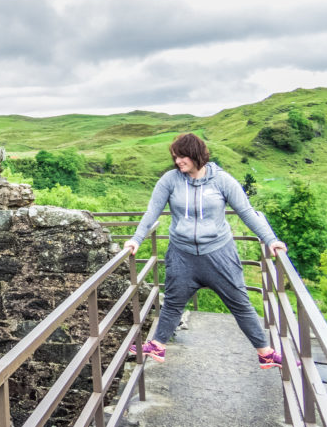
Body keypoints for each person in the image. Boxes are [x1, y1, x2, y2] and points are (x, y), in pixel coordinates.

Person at [123, 133, 288, 369]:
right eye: (175, 157)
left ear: (196, 154)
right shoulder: (170, 180)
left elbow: (247, 212)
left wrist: (271, 240)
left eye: (182, 156)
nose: (178, 161)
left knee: (240, 302)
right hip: (181, 254)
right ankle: (157, 346)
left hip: (219, 254)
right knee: (172, 302)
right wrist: (136, 239)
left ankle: (266, 353)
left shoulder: (222, 180)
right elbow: (152, 212)